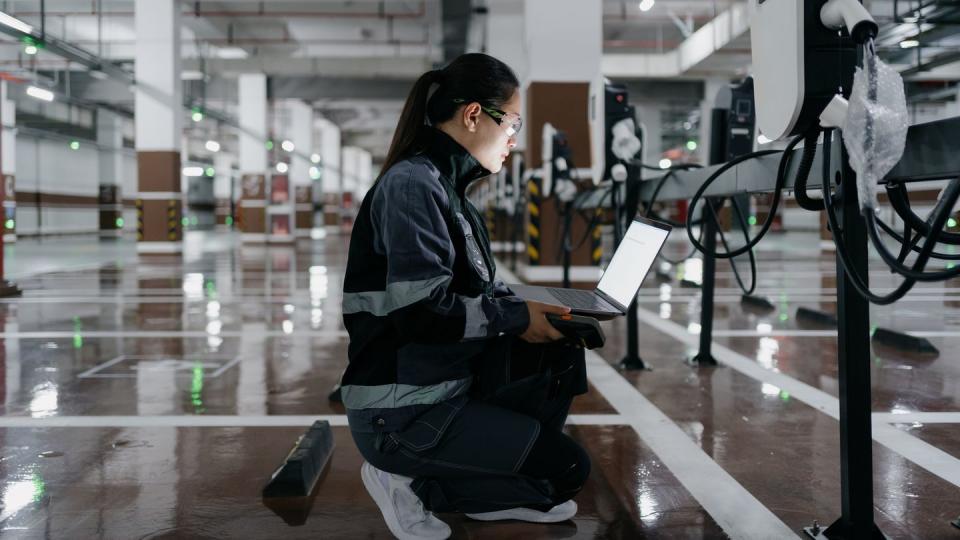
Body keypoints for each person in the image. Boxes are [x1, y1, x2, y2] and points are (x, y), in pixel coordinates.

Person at [340, 53, 591, 540]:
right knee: (562, 475)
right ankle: (408, 480)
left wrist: (538, 309)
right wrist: (517, 318)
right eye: (512, 122)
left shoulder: (447, 189)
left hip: (442, 387)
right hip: (402, 409)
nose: (514, 138)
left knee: (563, 346)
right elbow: (421, 315)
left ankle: (478, 483)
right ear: (474, 115)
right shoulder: (413, 185)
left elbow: (478, 290)